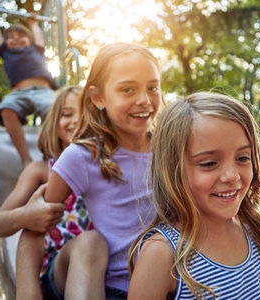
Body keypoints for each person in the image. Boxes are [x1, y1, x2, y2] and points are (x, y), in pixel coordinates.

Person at [128, 92, 260, 300]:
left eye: (243, 158)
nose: (232, 176)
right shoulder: (162, 254)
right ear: (172, 170)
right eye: (209, 163)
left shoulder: (252, 230)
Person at [43, 42, 163, 299]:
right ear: (98, 98)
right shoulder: (82, 156)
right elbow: (35, 226)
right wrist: (28, 290)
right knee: (90, 242)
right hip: (106, 285)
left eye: (153, 88)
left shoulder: (170, 148)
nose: (144, 100)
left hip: (161, 283)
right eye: (127, 89)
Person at [0, 86, 105, 300]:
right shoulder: (41, 171)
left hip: (108, 268)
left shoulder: (108, 168)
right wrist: (25, 216)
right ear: (54, 123)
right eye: (67, 114)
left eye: (85, 115)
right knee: (89, 242)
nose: (76, 121)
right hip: (60, 270)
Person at [0, 5, 58, 167]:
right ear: (6, 43)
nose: (16, 38)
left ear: (29, 40)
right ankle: (26, 158)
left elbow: (38, 35)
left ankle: (52, 151)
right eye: (11, 37)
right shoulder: (6, 52)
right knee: (6, 109)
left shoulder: (36, 49)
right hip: (18, 93)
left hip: (43, 91)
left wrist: (33, 23)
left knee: (55, 109)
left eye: (21, 35)